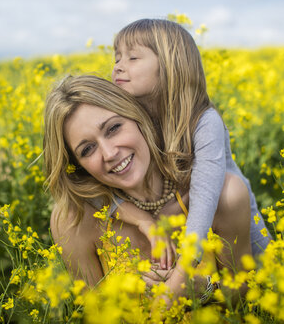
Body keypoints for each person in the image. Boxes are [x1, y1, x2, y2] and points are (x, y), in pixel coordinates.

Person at [43, 75, 252, 300]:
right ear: (78, 166)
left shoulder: (225, 195)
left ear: (137, 117)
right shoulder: (74, 220)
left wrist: (206, 291)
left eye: (113, 128)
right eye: (87, 149)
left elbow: (247, 295)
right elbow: (96, 314)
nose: (110, 153)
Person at [110, 18, 272, 263]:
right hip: (177, 228)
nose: (119, 66)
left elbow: (206, 195)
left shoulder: (205, 121)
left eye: (132, 58)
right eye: (117, 58)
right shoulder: (128, 119)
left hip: (232, 232)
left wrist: (187, 262)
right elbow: (88, 185)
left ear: (169, 65)